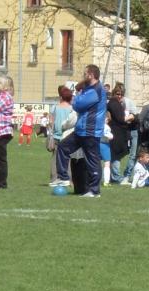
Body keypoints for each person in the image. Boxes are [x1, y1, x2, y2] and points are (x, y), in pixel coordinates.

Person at [53, 64, 108, 198]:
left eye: (85, 74)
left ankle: (94, 191)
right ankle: (64, 177)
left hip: (90, 131)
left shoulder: (96, 90)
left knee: (92, 160)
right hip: (81, 130)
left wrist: (77, 94)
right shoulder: (89, 89)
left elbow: (77, 105)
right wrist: (80, 90)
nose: (83, 76)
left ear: (90, 75)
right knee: (63, 147)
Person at [48, 85, 74, 184]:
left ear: (61, 97)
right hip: (68, 135)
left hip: (56, 136)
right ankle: (68, 179)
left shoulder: (55, 107)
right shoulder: (72, 108)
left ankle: (54, 178)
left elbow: (51, 122)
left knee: (55, 158)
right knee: (68, 158)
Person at [106, 83, 132, 184]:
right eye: (117, 94)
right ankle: (116, 176)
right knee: (116, 154)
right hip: (116, 132)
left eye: (121, 94)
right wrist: (130, 117)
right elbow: (120, 119)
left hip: (118, 132)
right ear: (114, 93)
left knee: (116, 155)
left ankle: (113, 176)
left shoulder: (117, 103)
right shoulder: (114, 103)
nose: (120, 96)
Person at [100, 113, 113, 185]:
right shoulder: (106, 126)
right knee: (107, 162)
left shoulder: (97, 125)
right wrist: (111, 136)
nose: (108, 121)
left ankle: (96, 179)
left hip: (97, 144)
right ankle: (106, 181)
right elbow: (109, 136)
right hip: (104, 144)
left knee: (96, 162)